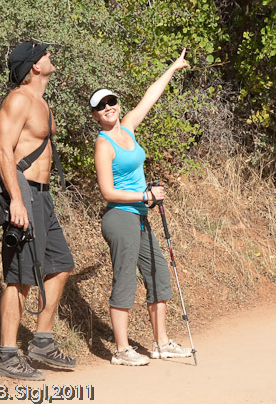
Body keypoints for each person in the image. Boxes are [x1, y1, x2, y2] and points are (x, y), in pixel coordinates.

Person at [92, 49, 193, 366]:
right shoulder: (103, 144)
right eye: (101, 106)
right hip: (120, 217)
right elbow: (107, 191)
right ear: (95, 115)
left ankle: (161, 344)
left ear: (118, 105)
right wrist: (144, 196)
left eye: (111, 102)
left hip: (139, 216)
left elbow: (150, 96)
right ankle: (121, 350)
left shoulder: (128, 128)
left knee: (158, 273)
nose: (108, 108)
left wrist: (173, 67)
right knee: (124, 280)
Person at [0, 42, 76, 380]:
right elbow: (3, 151)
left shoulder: (42, 101)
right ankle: (6, 355)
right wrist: (16, 200)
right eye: (44, 53)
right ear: (34, 67)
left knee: (60, 265)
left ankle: (42, 341)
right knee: (21, 277)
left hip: (43, 196)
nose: (50, 55)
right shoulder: (18, 100)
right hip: (24, 192)